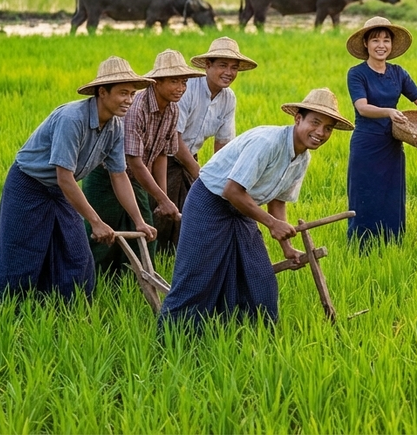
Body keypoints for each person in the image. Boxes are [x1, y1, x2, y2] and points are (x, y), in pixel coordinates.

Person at [157, 89, 353, 330]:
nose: (320, 133)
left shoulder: (303, 158)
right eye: (315, 122)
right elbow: (232, 191)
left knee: (260, 281)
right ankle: (169, 341)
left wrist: (286, 247)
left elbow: (278, 200)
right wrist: (272, 224)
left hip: (242, 209)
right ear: (298, 119)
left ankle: (248, 338)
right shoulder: (267, 143)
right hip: (209, 201)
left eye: (328, 128)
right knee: (197, 279)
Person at [0, 57, 157, 308]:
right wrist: (96, 222)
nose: (129, 100)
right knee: (19, 256)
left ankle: (64, 314)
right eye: (122, 93)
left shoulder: (115, 127)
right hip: (29, 185)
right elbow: (64, 177)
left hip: (62, 189)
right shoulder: (72, 119)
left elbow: (119, 175)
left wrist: (139, 220)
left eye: (132, 93)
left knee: (76, 256)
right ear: (102, 92)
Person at [83, 50, 202, 272]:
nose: (181, 88)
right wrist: (162, 198)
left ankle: (136, 283)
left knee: (145, 234)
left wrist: (163, 198)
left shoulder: (172, 111)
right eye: (174, 81)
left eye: (184, 82)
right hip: (106, 176)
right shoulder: (136, 106)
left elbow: (161, 155)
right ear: (156, 82)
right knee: (101, 236)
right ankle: (91, 283)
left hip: (134, 178)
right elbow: (134, 161)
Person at [346, 16, 417, 244]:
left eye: (386, 40)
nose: (381, 45)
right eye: (375, 40)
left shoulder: (398, 73)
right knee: (364, 193)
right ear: (366, 43)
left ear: (392, 45)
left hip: (392, 144)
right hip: (366, 144)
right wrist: (388, 111)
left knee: (391, 194)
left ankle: (391, 243)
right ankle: (361, 245)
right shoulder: (356, 73)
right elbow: (362, 107)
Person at [165, 37, 258, 253]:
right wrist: (202, 175)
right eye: (222, 65)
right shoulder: (187, 89)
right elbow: (174, 138)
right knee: (163, 212)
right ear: (208, 65)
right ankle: (157, 260)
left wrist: (229, 179)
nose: (229, 72)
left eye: (234, 68)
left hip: (190, 156)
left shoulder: (228, 98)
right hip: (165, 156)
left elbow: (224, 145)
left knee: (191, 215)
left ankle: (176, 259)